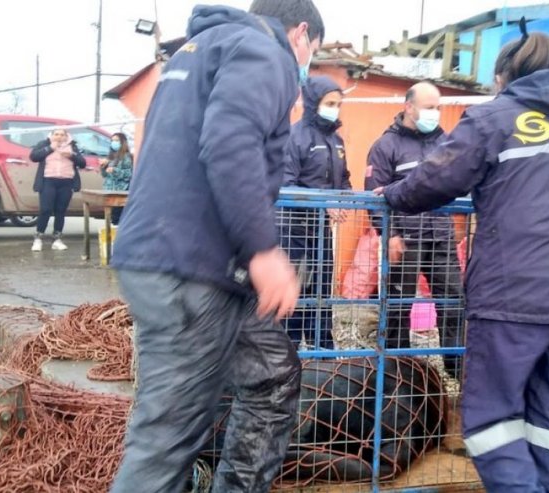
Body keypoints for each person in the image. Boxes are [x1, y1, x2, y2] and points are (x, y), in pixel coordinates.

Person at [379, 26, 549, 493]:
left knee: (491, 417)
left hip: (518, 293)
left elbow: (436, 180)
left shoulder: (495, 117)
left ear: (502, 78)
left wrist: (392, 195)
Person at [108, 1, 323, 491]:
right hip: (191, 268)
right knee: (165, 441)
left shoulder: (195, 52)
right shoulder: (265, 54)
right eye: (313, 50)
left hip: (180, 258)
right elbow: (229, 142)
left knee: (272, 375)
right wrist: (263, 249)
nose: (306, 64)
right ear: (300, 34)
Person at [365, 81, 464, 378]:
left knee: (454, 302)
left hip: (440, 236)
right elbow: (374, 196)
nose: (436, 113)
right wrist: (389, 234)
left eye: (438, 107)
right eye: (429, 107)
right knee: (398, 306)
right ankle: (399, 374)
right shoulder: (386, 146)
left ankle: (457, 370)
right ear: (409, 107)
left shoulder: (445, 142)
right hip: (405, 238)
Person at [281, 75, 351, 349]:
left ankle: (322, 353)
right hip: (293, 232)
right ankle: (289, 352)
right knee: (295, 293)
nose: (335, 109)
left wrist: (345, 199)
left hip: (321, 232)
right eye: (329, 103)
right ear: (313, 102)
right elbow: (286, 185)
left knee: (322, 292)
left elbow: (344, 179)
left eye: (338, 104)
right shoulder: (294, 137)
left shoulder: (337, 141)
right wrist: (324, 204)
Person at [29, 128, 86, 252]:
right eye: (56, 134)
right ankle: (38, 238)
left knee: (61, 211)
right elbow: (34, 156)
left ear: (66, 136)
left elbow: (82, 163)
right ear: (52, 135)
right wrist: (50, 148)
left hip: (66, 181)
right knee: (46, 209)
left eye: (62, 135)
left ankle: (57, 239)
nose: (59, 137)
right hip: (48, 181)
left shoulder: (72, 146)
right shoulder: (44, 144)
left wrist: (72, 155)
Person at [99, 132, 133, 225]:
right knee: (112, 218)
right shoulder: (111, 156)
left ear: (123, 142)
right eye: (112, 140)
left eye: (117, 140)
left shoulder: (126, 157)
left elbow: (129, 174)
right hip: (110, 190)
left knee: (118, 218)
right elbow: (105, 175)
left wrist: (115, 170)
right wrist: (103, 167)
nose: (114, 142)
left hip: (120, 190)